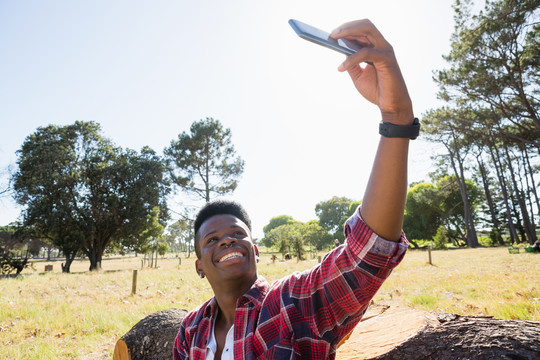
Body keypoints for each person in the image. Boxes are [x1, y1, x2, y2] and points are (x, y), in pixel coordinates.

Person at [173, 19, 416, 360]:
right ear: (199, 266)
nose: (226, 241)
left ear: (255, 250)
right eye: (211, 240)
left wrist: (396, 117)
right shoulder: (190, 332)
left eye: (236, 234)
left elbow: (366, 256)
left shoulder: (292, 305)